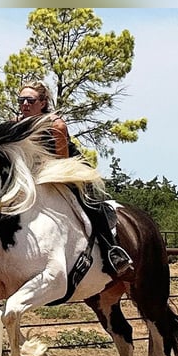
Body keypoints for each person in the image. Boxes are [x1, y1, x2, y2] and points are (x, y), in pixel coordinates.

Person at [17, 81, 133, 277]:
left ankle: (112, 251)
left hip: (69, 171)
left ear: (43, 103)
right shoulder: (16, 124)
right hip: (34, 175)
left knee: (90, 205)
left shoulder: (56, 125)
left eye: (30, 100)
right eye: (21, 100)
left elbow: (61, 163)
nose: (24, 104)